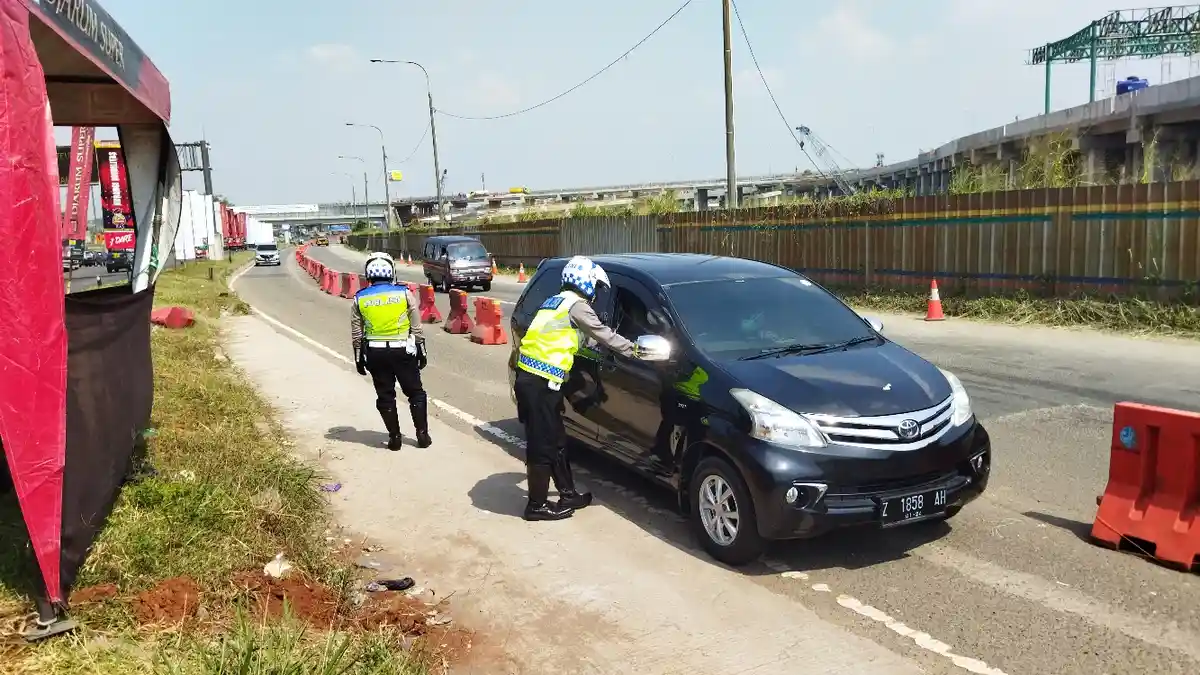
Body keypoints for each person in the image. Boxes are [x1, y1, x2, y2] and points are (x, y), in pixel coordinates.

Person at [514, 256, 646, 521]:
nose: (596, 294)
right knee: (542, 445)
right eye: (595, 287)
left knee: (557, 439)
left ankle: (568, 493)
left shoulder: (556, 302)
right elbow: (604, 334)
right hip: (538, 383)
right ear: (585, 281)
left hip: (535, 381)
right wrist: (634, 350)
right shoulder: (577, 307)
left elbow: (572, 337)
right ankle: (536, 505)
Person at [350, 252, 431, 450]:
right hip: (403, 351)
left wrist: (358, 358)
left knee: (385, 396)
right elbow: (416, 327)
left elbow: (357, 332)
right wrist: (421, 350)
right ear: (392, 272)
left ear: (368, 275)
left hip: (375, 354)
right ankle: (422, 435)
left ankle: (394, 439)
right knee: (415, 393)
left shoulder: (359, 298)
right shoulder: (404, 293)